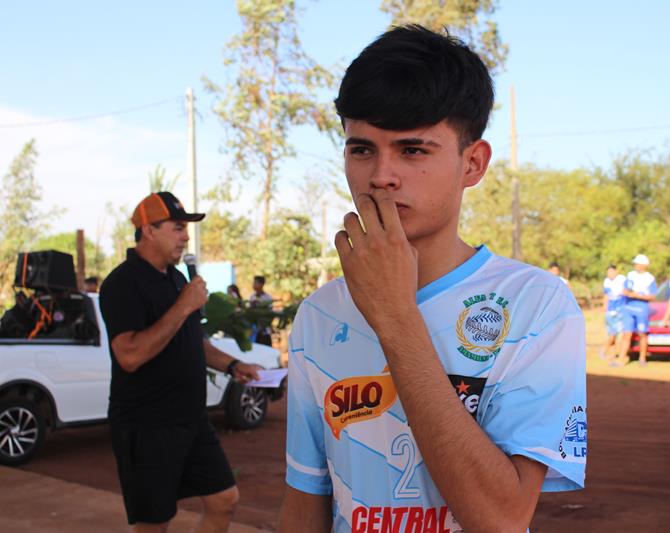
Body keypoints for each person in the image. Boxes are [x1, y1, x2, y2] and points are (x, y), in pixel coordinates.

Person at [278, 26, 587, 533]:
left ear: (473, 163)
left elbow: (502, 519)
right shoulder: (319, 314)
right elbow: (305, 499)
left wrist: (396, 317)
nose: (381, 175)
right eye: (361, 150)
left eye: (413, 150)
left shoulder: (537, 306)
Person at [99, 191, 261, 532]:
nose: (186, 236)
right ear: (148, 230)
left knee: (224, 500)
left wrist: (233, 366)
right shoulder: (122, 283)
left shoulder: (176, 279)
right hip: (147, 425)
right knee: (154, 523)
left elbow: (192, 340)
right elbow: (130, 355)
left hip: (190, 419)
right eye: (177, 227)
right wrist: (184, 306)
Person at [614, 254, 658, 367]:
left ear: (644, 265)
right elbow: (625, 290)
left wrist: (637, 296)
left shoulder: (649, 278)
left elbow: (653, 296)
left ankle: (642, 358)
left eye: (638, 264)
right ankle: (621, 358)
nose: (636, 266)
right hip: (628, 307)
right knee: (626, 334)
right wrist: (627, 293)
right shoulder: (630, 275)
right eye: (635, 264)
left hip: (642, 308)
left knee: (642, 333)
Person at [601, 264, 626, 359]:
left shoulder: (622, 279)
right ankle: (609, 352)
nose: (609, 274)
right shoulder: (606, 281)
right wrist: (605, 306)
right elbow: (606, 295)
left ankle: (607, 351)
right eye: (608, 272)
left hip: (620, 310)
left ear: (616, 271)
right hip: (610, 311)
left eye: (611, 271)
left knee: (618, 333)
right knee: (612, 333)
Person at [249, 275, 273, 346]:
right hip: (254, 331)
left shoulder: (267, 298)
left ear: (261, 284)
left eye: (255, 283)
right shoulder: (252, 297)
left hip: (265, 331)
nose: (253, 285)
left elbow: (270, 313)